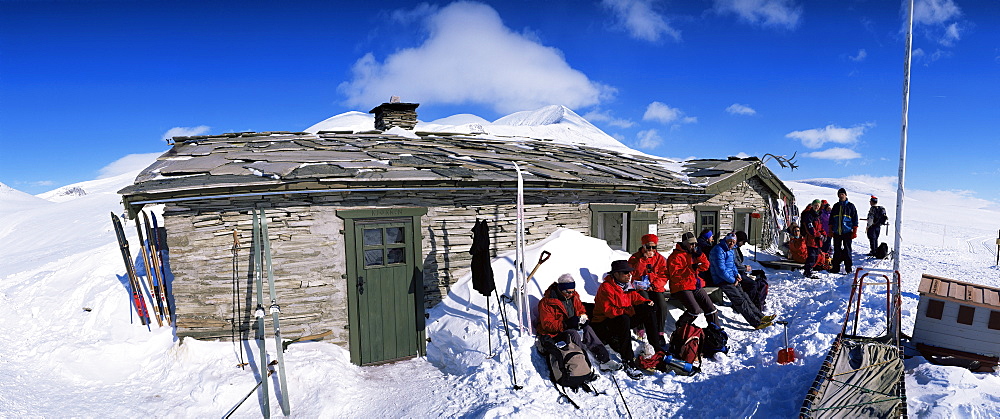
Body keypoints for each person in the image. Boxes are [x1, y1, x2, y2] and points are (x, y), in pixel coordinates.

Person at [591, 260, 665, 379]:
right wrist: (631, 311)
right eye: (625, 272)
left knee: (648, 310)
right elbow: (609, 311)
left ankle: (656, 347)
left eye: (630, 272)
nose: (629, 275)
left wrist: (647, 303)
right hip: (604, 324)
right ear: (615, 274)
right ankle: (628, 360)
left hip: (620, 318)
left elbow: (636, 298)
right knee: (624, 319)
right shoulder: (606, 287)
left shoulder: (626, 286)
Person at [537, 274, 621, 371]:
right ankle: (583, 363)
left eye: (572, 291)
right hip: (555, 333)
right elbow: (547, 325)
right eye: (568, 292)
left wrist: (583, 318)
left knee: (588, 329)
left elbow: (581, 310)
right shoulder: (547, 302)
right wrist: (566, 324)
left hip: (571, 326)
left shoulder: (574, 296)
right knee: (573, 334)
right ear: (560, 289)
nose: (570, 294)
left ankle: (604, 359)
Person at [709, 233, 775, 329]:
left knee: (745, 297)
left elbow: (733, 266)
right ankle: (756, 323)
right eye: (730, 241)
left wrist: (737, 275)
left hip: (731, 278)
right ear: (726, 240)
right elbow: (721, 271)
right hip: (721, 280)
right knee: (740, 301)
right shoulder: (718, 250)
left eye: (733, 241)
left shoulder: (731, 250)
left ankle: (761, 317)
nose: (731, 243)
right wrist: (732, 280)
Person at [666, 232, 719, 326]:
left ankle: (715, 330)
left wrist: (700, 256)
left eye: (695, 244)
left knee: (711, 309)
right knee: (695, 310)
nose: (693, 246)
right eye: (691, 244)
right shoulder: (675, 256)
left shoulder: (693, 254)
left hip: (695, 284)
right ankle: (680, 326)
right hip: (680, 286)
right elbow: (674, 275)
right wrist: (691, 268)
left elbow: (705, 266)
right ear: (685, 243)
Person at [628, 234, 668, 342]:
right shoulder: (635, 257)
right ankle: (640, 327)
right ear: (643, 246)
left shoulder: (659, 258)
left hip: (654, 286)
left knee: (662, 305)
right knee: (644, 301)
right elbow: (632, 272)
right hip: (640, 287)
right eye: (648, 247)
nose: (651, 250)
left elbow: (664, 275)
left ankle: (660, 332)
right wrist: (643, 261)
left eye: (653, 247)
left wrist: (655, 285)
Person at [733, 231, 769, 311]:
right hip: (734, 273)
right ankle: (748, 304)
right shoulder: (733, 250)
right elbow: (734, 265)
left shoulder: (736, 249)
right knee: (753, 284)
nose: (743, 244)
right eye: (743, 242)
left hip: (738, 271)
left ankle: (754, 302)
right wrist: (744, 268)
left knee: (757, 277)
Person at [829, 188, 859, 274]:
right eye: (839, 194)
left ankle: (848, 269)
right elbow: (831, 219)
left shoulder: (851, 206)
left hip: (847, 232)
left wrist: (854, 231)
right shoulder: (835, 206)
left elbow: (855, 219)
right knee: (837, 251)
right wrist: (831, 230)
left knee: (847, 251)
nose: (841, 196)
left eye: (842, 194)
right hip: (837, 232)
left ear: (845, 195)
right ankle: (835, 268)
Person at [800, 199, 825, 278]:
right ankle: (807, 271)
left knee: (816, 256)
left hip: (817, 240)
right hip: (811, 239)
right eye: (815, 205)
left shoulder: (818, 216)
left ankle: (808, 270)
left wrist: (823, 233)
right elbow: (810, 228)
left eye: (818, 206)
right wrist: (818, 234)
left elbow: (820, 227)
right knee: (812, 256)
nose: (817, 207)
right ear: (812, 205)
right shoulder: (809, 215)